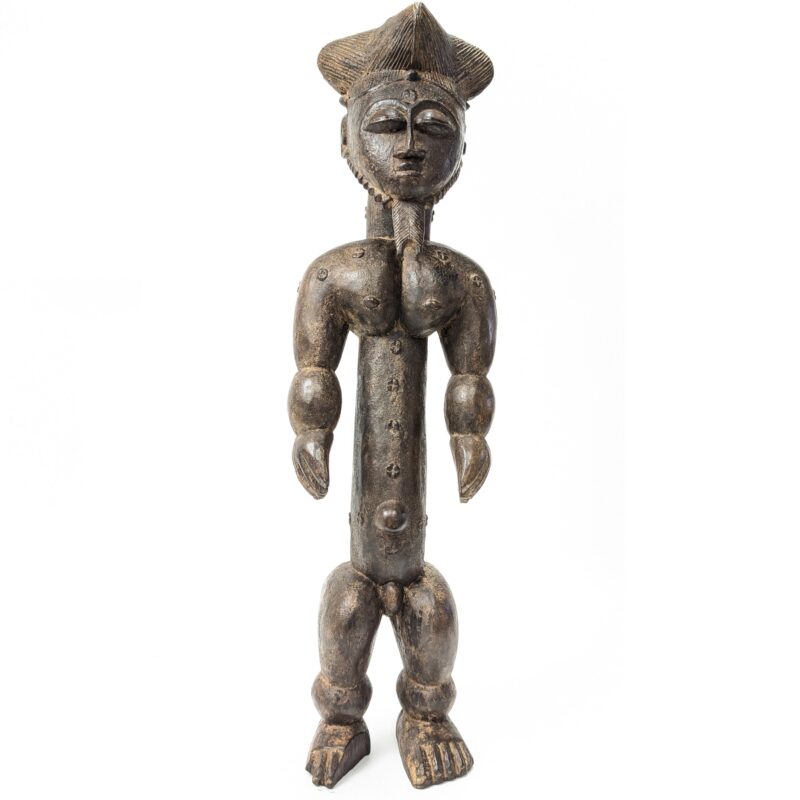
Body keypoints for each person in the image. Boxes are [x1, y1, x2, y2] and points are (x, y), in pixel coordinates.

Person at [287, 4, 496, 788]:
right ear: (347, 141)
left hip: (411, 549)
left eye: (435, 125)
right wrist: (311, 434)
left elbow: (470, 380)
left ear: (462, 148)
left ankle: (426, 715)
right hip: (364, 547)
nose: (409, 144)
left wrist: (470, 437)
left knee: (429, 607)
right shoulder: (336, 274)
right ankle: (341, 720)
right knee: (348, 605)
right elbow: (315, 374)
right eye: (385, 124)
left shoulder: (459, 282)